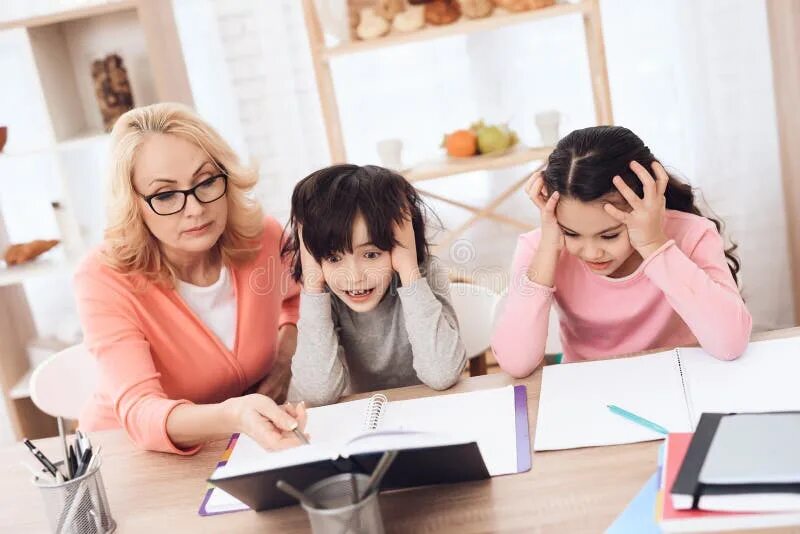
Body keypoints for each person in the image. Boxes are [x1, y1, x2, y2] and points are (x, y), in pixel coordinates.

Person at [75, 103, 306, 454]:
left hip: (230, 446)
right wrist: (232, 415)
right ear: (133, 203)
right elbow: (139, 411)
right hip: (123, 457)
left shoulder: (263, 239)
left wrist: (284, 358)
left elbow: (297, 298)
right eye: (165, 195)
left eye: (206, 181)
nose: (195, 208)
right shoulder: (103, 277)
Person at [492, 125, 752, 377]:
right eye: (571, 233)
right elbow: (517, 363)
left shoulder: (693, 234)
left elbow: (729, 343)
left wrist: (653, 245)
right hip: (591, 389)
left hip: (683, 379)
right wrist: (549, 247)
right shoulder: (541, 247)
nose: (592, 253)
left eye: (610, 235)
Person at [283, 164, 467, 406]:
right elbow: (316, 394)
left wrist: (409, 270)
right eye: (333, 258)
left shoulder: (424, 274)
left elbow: (441, 373)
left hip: (425, 410)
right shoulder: (325, 291)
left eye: (371, 255)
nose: (354, 276)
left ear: (401, 242)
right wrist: (313, 284)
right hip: (356, 422)